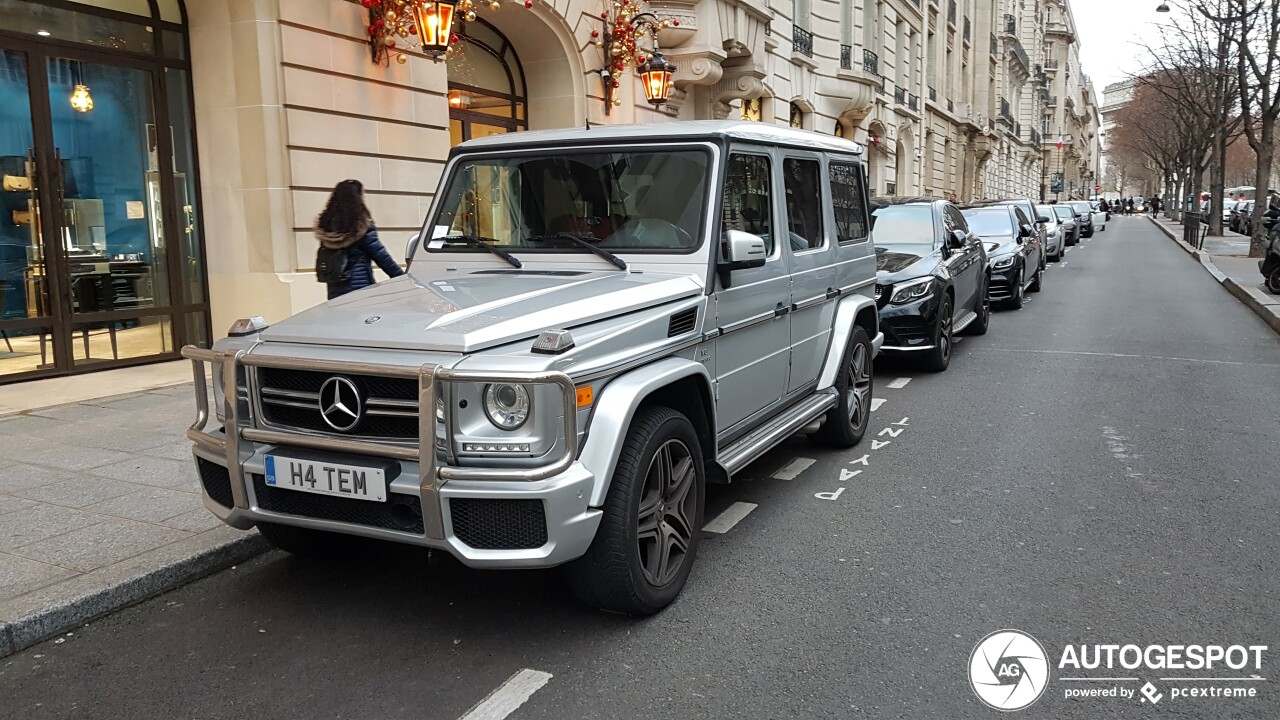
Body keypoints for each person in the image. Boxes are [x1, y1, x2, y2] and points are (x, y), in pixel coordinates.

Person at [314, 179, 405, 299]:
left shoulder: (327, 225)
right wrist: (401, 278)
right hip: (361, 290)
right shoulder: (360, 226)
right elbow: (381, 256)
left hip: (335, 292)